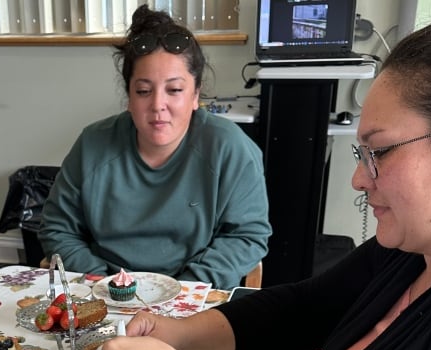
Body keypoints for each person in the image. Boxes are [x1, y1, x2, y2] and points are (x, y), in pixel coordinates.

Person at [98, 12, 431, 350]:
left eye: (381, 151)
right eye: (361, 153)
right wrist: (179, 332)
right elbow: (304, 308)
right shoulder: (414, 250)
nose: (359, 178)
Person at [38, 5, 271, 289]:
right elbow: (57, 228)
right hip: (105, 292)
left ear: (196, 95)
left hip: (193, 296)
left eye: (174, 90)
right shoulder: (92, 144)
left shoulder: (231, 149)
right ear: (129, 98)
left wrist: (186, 291)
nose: (158, 105)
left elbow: (247, 236)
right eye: (144, 91)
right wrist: (103, 283)